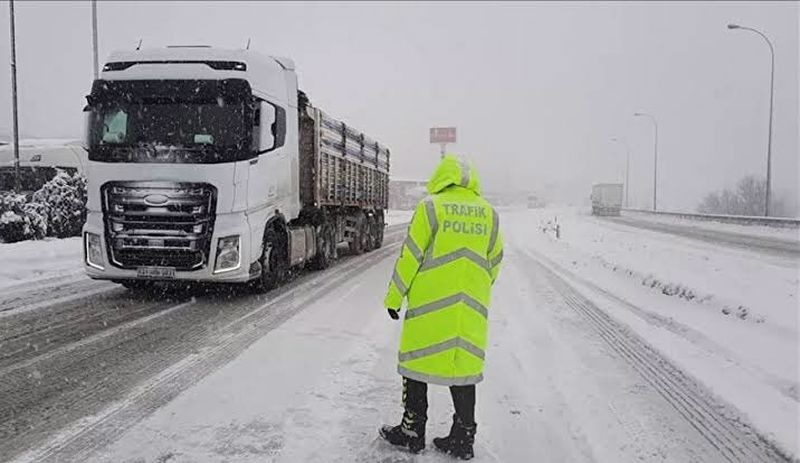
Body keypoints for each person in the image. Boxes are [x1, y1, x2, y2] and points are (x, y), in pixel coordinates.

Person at [379, 154, 503, 460]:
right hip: (468, 311)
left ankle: (412, 430)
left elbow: (410, 256)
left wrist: (394, 297)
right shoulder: (489, 213)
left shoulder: (431, 207)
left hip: (429, 307)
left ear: (441, 178)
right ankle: (463, 436)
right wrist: (474, 289)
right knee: (462, 371)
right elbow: (495, 260)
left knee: (417, 364)